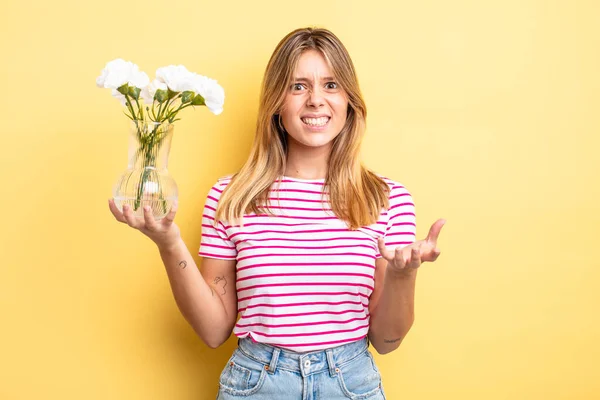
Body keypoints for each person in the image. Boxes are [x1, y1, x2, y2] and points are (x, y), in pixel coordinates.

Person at [109, 27, 445, 400]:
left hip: (351, 384)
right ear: (276, 102)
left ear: (349, 100)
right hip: (256, 385)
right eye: (298, 86)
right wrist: (168, 243)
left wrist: (403, 275)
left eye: (331, 85)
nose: (316, 100)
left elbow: (387, 340)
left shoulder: (385, 199)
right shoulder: (230, 197)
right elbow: (213, 331)